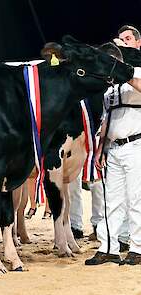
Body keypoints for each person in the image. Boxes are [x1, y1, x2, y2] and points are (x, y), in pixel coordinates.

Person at [85, 35, 141, 265]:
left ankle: (138, 248)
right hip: (113, 148)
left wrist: (126, 75)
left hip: (136, 145)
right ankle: (108, 246)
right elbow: (107, 119)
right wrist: (100, 149)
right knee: (112, 200)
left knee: (136, 198)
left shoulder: (136, 73)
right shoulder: (110, 88)